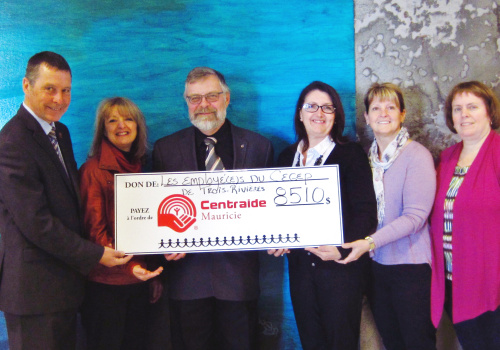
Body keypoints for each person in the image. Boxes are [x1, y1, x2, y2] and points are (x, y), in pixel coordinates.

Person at [0, 51, 133, 350]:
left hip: (65, 287)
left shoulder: (60, 132)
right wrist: (96, 253)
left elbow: (72, 203)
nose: (59, 98)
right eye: (50, 88)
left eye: (66, 90)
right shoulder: (12, 143)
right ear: (26, 85)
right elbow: (37, 224)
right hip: (34, 292)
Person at [152, 67, 274, 350]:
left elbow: (271, 210)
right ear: (185, 101)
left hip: (239, 280)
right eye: (194, 98)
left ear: (227, 98)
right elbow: (156, 215)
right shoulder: (165, 150)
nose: (203, 105)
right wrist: (161, 248)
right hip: (187, 280)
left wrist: (280, 236)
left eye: (211, 96)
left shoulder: (259, 147)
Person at [270, 81, 377, 349]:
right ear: (300, 113)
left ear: (336, 114)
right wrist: (275, 239)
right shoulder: (285, 157)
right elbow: (275, 212)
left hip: (340, 271)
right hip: (301, 272)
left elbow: (366, 213)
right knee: (312, 342)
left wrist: (340, 249)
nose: (319, 113)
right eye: (312, 106)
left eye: (328, 107)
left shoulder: (350, 154)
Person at [340, 83, 436, 349]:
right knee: (392, 342)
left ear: (402, 114)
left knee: (417, 343)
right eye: (376, 108)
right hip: (375, 267)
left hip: (411, 268)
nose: (384, 113)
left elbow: (415, 217)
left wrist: (369, 242)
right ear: (367, 117)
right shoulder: (365, 160)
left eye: (391, 107)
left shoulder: (417, 156)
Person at [79, 97, 164, 350]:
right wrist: (134, 267)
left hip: (136, 283)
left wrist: (151, 273)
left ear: (138, 126)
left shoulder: (139, 168)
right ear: (102, 129)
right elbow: (95, 235)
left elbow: (146, 230)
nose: (121, 125)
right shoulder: (93, 170)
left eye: (128, 118)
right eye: (112, 120)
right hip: (106, 287)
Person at [430, 81, 500, 350]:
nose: (464, 114)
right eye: (457, 109)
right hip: (452, 281)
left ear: (489, 113)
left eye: (472, 107)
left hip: (491, 282)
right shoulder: (447, 158)